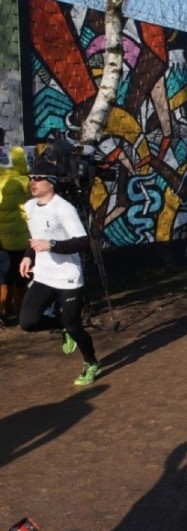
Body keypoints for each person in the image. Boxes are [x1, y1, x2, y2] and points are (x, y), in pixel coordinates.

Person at [17, 158, 100, 385]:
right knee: (27, 322)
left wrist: (53, 245)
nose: (32, 182)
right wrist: (28, 255)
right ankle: (61, 326)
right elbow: (34, 237)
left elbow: (83, 242)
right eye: (30, 178)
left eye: (38, 178)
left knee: (74, 325)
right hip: (44, 275)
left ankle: (91, 362)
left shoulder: (64, 208)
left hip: (68, 277)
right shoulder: (29, 206)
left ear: (51, 182)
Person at [0, 146, 31, 322]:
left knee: (5, 270)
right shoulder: (22, 181)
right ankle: (21, 308)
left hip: (2, 234)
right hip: (19, 234)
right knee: (21, 269)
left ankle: (4, 306)